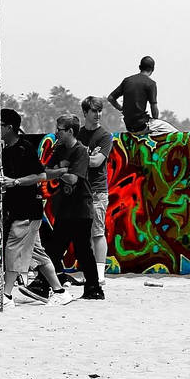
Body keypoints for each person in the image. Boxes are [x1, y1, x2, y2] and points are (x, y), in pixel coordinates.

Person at [0, 108, 64, 304]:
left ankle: (6, 295)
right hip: (16, 208)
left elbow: (40, 175)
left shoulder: (24, 148)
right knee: (38, 253)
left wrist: (14, 182)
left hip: (27, 209)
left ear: (9, 127)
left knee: (12, 249)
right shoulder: (4, 150)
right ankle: (60, 292)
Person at [43, 114, 104, 300]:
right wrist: (63, 171)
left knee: (82, 250)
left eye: (60, 130)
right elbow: (46, 172)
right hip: (65, 207)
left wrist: (59, 172)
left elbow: (73, 178)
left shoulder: (81, 151)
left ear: (70, 131)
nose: (56, 133)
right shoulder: (59, 149)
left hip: (80, 208)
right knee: (55, 247)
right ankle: (43, 284)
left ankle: (93, 289)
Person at [77, 96, 114, 274]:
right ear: (85, 112)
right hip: (79, 191)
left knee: (97, 233)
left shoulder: (105, 136)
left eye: (100, 111)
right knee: (81, 234)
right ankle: (89, 272)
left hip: (97, 191)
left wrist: (79, 157)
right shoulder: (78, 134)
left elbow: (96, 162)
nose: (98, 114)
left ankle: (99, 274)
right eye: (94, 111)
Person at [107, 57, 159, 136]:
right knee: (169, 129)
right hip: (142, 126)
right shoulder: (151, 83)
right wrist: (156, 122)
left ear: (139, 67)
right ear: (153, 69)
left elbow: (111, 98)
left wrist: (121, 109)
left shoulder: (127, 80)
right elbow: (153, 107)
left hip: (129, 127)